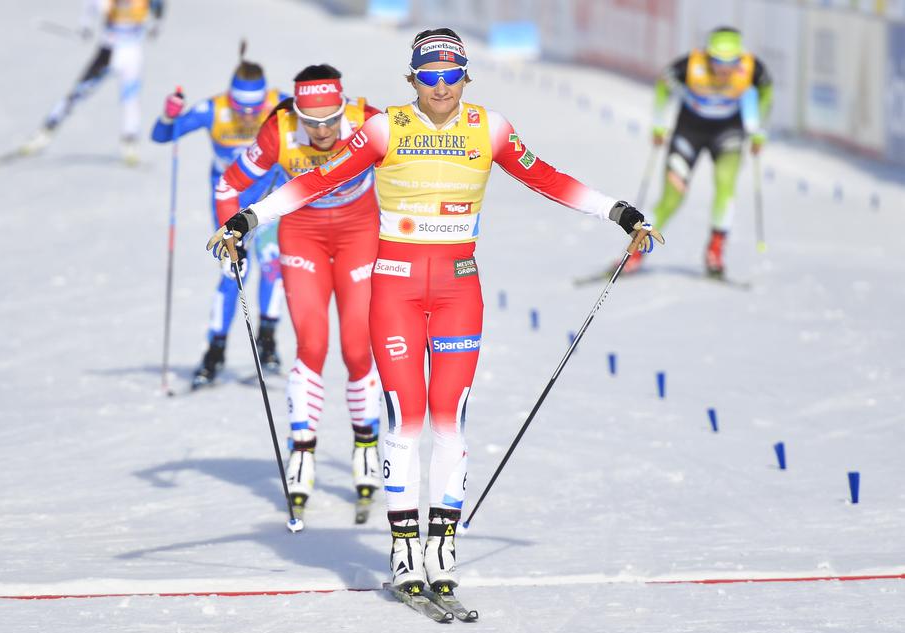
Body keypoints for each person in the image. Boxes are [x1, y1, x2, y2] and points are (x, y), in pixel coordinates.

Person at [207, 29, 663, 597]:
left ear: (466, 77)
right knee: (408, 420)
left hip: (458, 290)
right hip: (394, 288)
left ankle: (441, 546)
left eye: (451, 75)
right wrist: (247, 219)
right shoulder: (384, 128)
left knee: (450, 420)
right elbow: (317, 180)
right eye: (430, 76)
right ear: (412, 80)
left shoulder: (489, 128)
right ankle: (403, 550)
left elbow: (546, 176)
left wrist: (618, 212)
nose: (441, 86)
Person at [214, 65, 383, 517]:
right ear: (297, 114)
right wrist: (233, 238)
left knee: (356, 348)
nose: (323, 131)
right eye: (313, 122)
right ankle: (302, 451)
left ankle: (366, 444)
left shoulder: (369, 120)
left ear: (344, 108)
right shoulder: (280, 130)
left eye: (331, 119)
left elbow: (416, 169)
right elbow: (228, 184)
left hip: (359, 233)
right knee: (311, 343)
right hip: (303, 235)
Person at [151, 48, 287, 388]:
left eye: (254, 108)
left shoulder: (280, 102)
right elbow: (162, 136)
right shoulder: (214, 109)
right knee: (234, 272)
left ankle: (267, 342)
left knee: (272, 262)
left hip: (269, 195)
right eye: (241, 106)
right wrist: (169, 117)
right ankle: (214, 352)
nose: (246, 114)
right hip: (229, 200)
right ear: (231, 97)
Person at [642, 26, 772, 278]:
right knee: (672, 198)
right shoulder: (689, 64)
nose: (725, 70)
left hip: (728, 133)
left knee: (726, 186)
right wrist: (658, 124)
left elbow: (766, 92)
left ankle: (715, 253)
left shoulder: (752, 67)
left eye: (731, 62)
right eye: (718, 62)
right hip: (688, 132)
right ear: (707, 55)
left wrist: (758, 129)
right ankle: (636, 251)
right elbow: (662, 86)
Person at [18, 0, 165, 165]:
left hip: (132, 54)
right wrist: (85, 26)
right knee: (77, 94)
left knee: (130, 99)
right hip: (108, 52)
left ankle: (130, 142)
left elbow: (159, 6)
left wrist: (156, 25)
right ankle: (44, 133)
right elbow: (90, 6)